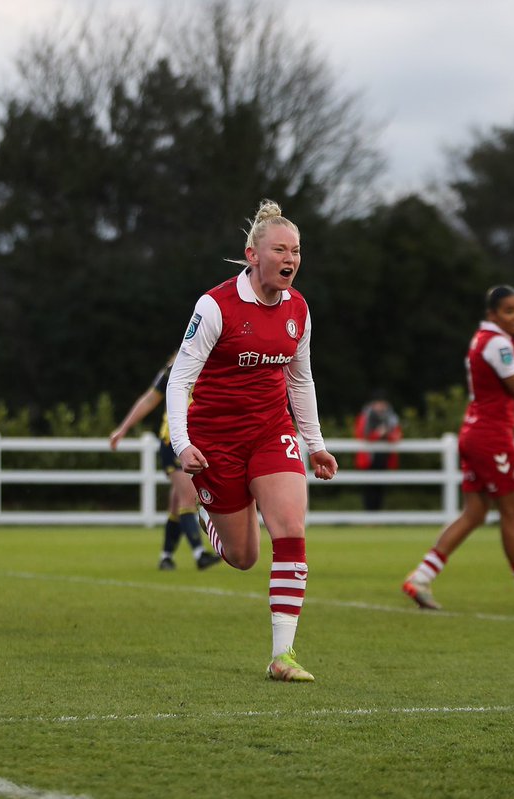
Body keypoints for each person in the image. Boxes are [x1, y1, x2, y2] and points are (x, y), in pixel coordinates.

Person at [166, 199, 338, 683]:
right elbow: (179, 382)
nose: (291, 259)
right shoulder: (215, 306)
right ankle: (206, 512)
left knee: (291, 528)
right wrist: (182, 445)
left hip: (270, 432)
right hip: (216, 441)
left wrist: (315, 443)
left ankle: (283, 656)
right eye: (280, 249)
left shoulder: (299, 308)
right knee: (243, 557)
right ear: (252, 255)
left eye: (297, 250)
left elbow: (300, 381)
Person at [402, 285, 514, 612]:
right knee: (512, 514)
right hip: (491, 436)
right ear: (492, 314)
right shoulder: (497, 343)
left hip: (475, 432)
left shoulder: (490, 340)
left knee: (476, 512)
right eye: (509, 310)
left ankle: (421, 577)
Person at [109, 352, 222, 571]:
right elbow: (150, 398)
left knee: (177, 503)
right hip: (175, 443)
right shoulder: (176, 367)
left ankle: (166, 556)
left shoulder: (216, 366)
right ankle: (200, 554)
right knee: (188, 497)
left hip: (198, 443)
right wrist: (123, 429)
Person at [354, 392, 402, 512]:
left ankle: (377, 516)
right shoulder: (365, 417)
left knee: (380, 488)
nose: (381, 406)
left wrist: (387, 434)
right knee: (369, 488)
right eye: (378, 403)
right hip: (369, 459)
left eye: (383, 403)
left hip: (384, 458)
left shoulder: (391, 418)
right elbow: (361, 436)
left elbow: (397, 437)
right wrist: (378, 434)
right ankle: (369, 515)